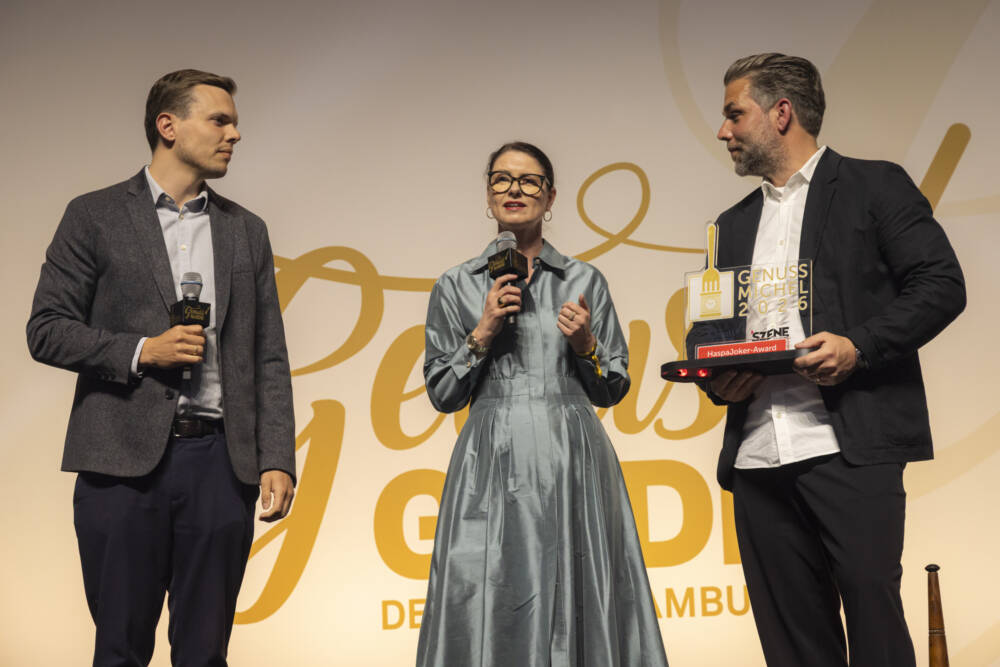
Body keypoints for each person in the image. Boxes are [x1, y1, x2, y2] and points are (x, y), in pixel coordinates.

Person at [698, 53, 965, 666]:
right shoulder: (729, 226)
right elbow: (708, 327)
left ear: (781, 113)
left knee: (874, 620)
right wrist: (717, 376)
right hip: (758, 454)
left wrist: (858, 346)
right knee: (791, 641)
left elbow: (941, 284)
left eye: (735, 114)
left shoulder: (875, 184)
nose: (724, 132)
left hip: (848, 445)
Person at [26, 69, 296, 665]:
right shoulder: (94, 215)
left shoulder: (245, 230)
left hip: (220, 468)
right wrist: (142, 350)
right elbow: (45, 330)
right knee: (120, 648)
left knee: (204, 653)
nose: (236, 134)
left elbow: (268, 352)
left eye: (234, 121)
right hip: (120, 468)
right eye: (220, 120)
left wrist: (277, 455)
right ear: (168, 126)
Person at [416, 142, 668, 666]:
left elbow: (612, 388)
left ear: (550, 196)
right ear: (488, 194)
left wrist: (586, 348)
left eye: (529, 181)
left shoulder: (584, 280)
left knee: (578, 591)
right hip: (491, 461)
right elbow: (443, 393)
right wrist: (483, 329)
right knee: (490, 593)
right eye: (502, 179)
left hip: (570, 456)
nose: (514, 190)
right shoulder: (456, 284)